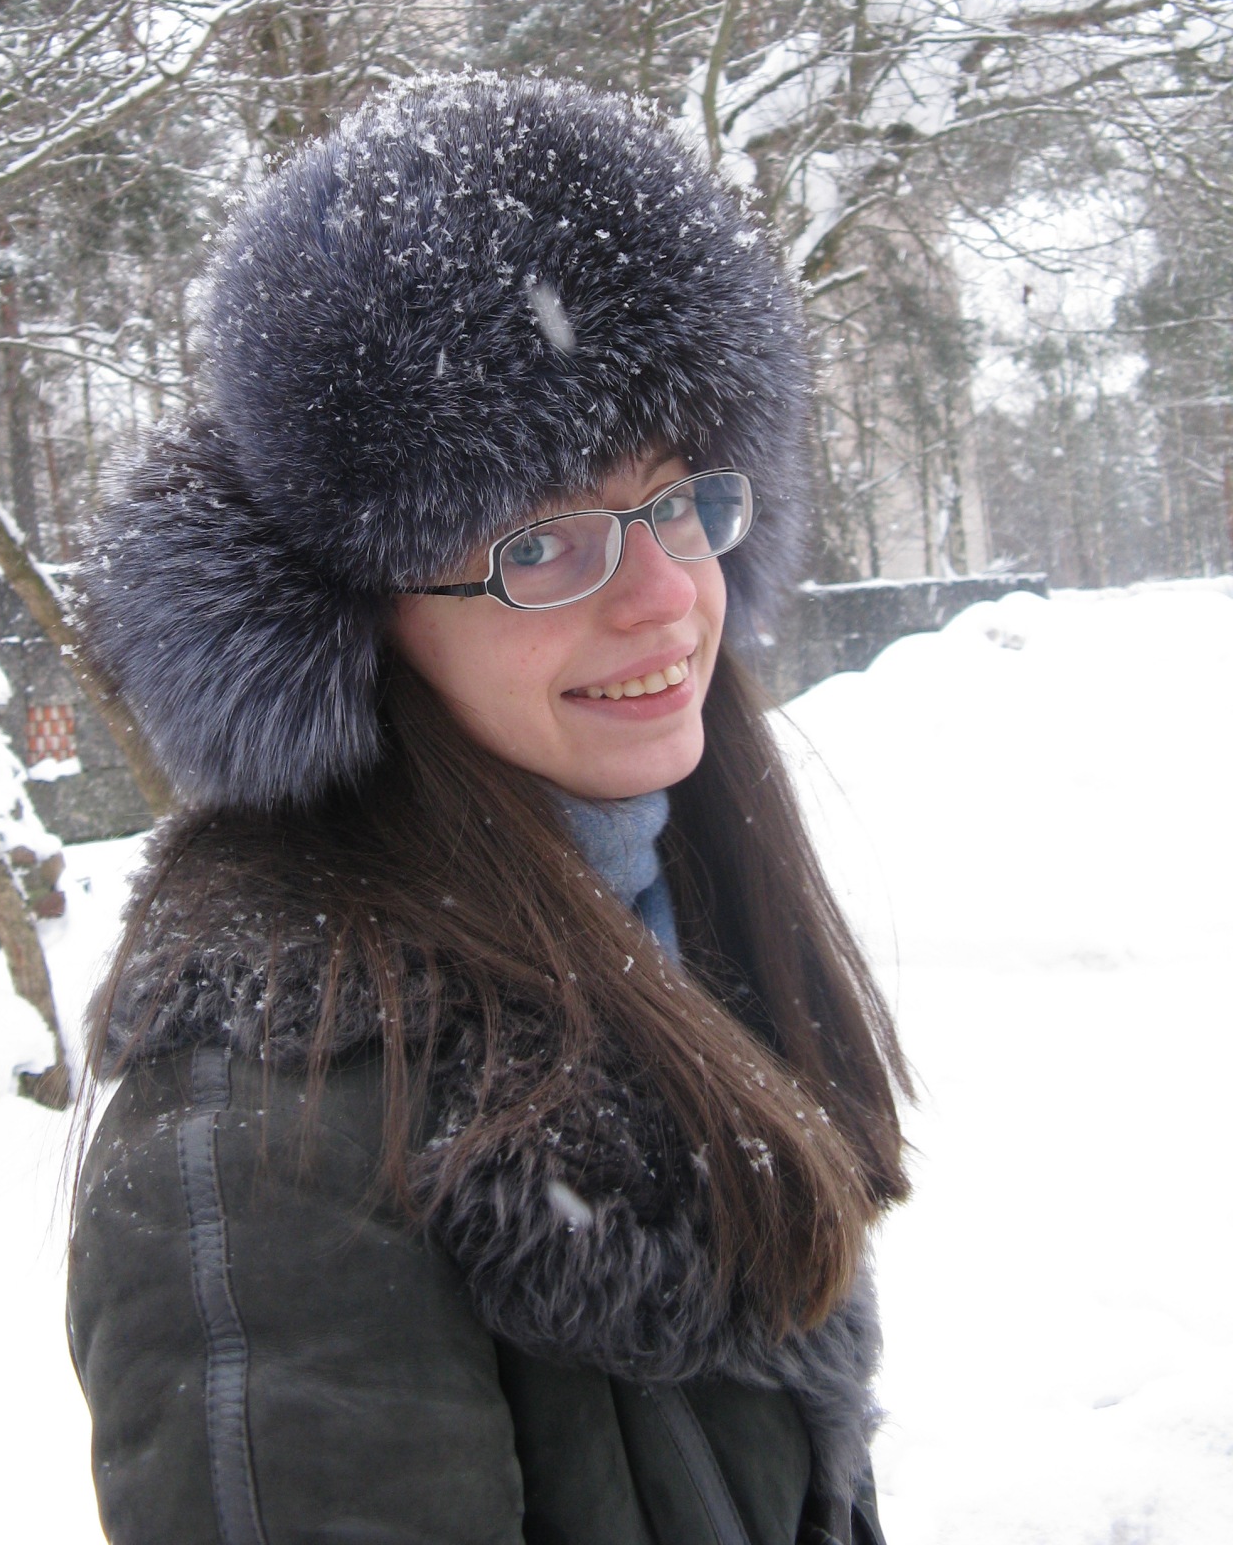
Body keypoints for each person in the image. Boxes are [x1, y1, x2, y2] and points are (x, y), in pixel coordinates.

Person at [71, 74, 911, 1545]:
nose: (666, 597)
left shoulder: (673, 901)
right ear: (363, 617)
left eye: (677, 498)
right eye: (544, 539)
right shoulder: (271, 1133)